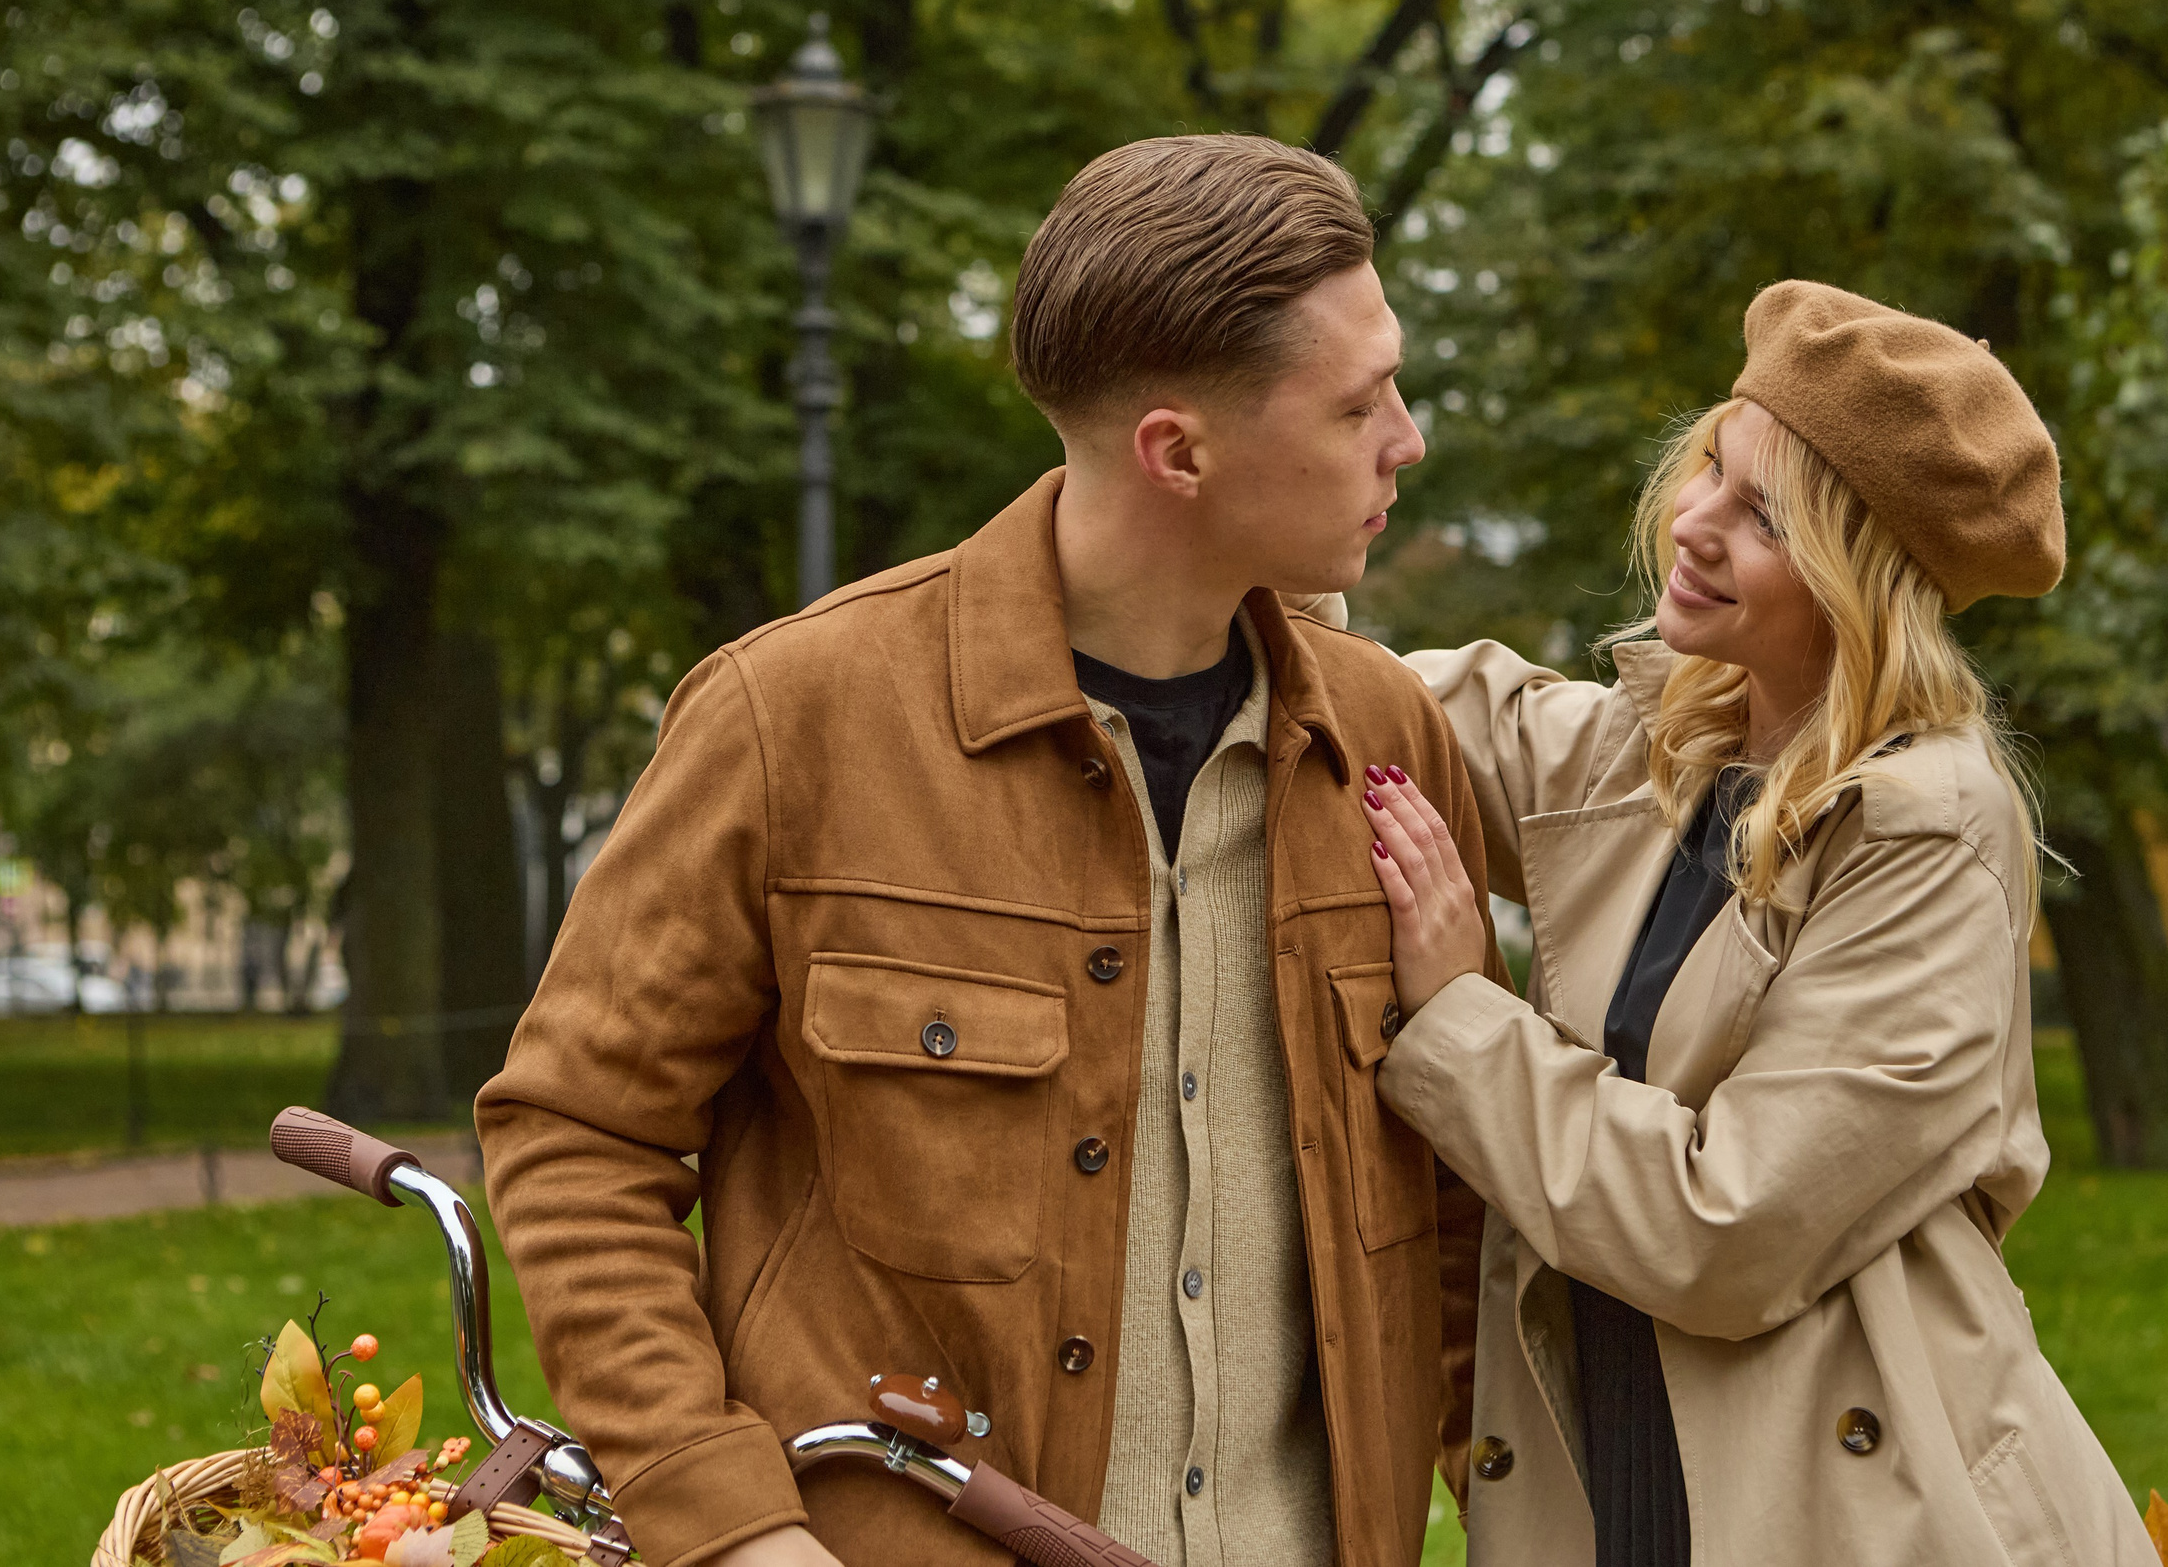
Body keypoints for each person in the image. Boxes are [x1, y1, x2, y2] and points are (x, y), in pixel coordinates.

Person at [476, 135, 1500, 1567]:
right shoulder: (794, 717)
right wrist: (727, 1521)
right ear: (1178, 449)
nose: (1408, 434)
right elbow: (580, 1130)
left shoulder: (1385, 737)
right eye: (1357, 401)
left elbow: (1450, 1218)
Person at [1348, 282, 2158, 1566]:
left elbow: (1723, 1230)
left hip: (1858, 1522)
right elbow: (1382, 710)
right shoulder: (1665, 746)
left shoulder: (1927, 828)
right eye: (1710, 469)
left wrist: (1456, 1017)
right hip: (1625, 1490)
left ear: (1864, 580)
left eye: (1763, 517)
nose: (1696, 524)